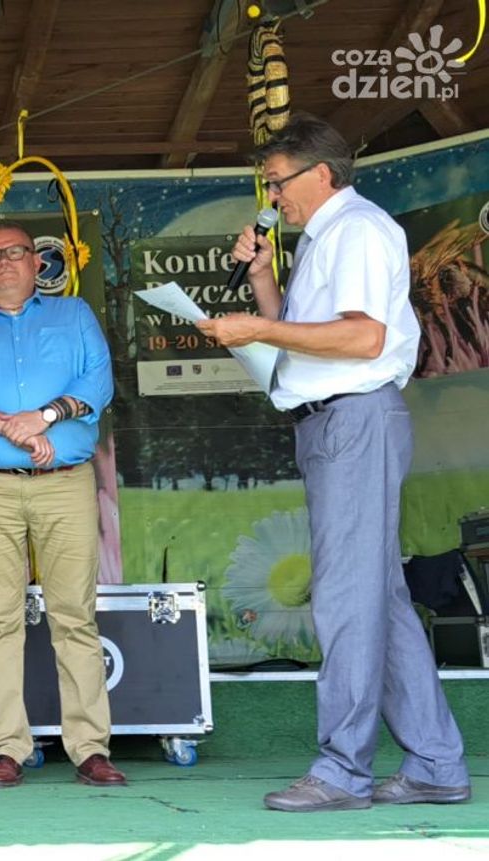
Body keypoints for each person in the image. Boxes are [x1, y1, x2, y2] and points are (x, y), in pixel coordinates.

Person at [196, 113, 470, 812]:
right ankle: (436, 763)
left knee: (347, 598)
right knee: (378, 599)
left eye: (276, 182)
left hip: (355, 418)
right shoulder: (325, 238)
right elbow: (305, 337)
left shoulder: (358, 230)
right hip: (332, 421)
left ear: (321, 172)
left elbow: (361, 338)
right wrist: (263, 281)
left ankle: (343, 771)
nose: (271, 197)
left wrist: (257, 326)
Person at [0, 220, 125, 789]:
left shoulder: (74, 315)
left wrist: (43, 417)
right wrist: (16, 429)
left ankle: (89, 748)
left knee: (74, 615)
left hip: (64, 482)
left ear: (37, 263)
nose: (3, 264)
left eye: (14, 253)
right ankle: (7, 749)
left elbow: (98, 383)